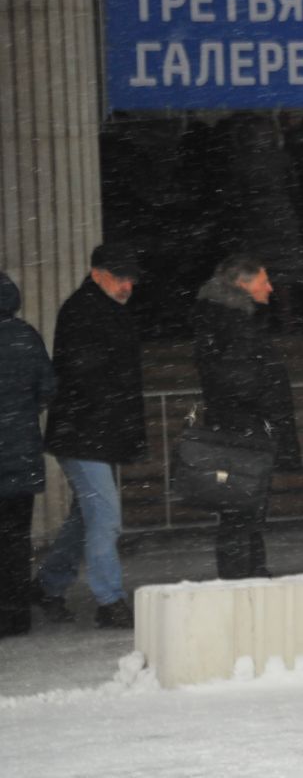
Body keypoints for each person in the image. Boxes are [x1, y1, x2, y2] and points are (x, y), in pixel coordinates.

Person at [34, 244, 147, 629]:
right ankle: (109, 599)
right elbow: (87, 374)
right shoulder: (86, 311)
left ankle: (49, 585)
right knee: (104, 514)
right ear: (97, 273)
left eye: (130, 277)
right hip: (87, 432)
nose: (127, 284)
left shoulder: (95, 309)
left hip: (90, 431)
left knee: (87, 514)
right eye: (120, 276)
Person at [192, 255, 302, 580]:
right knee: (241, 514)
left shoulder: (227, 320)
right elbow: (240, 381)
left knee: (243, 513)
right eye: (263, 281)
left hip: (239, 430)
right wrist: (267, 404)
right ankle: (244, 577)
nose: (270, 288)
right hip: (243, 433)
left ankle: (250, 573)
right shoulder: (233, 323)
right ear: (242, 284)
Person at [0, 272, 56, 638]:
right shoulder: (26, 336)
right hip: (19, 456)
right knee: (16, 540)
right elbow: (48, 387)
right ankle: (15, 615)